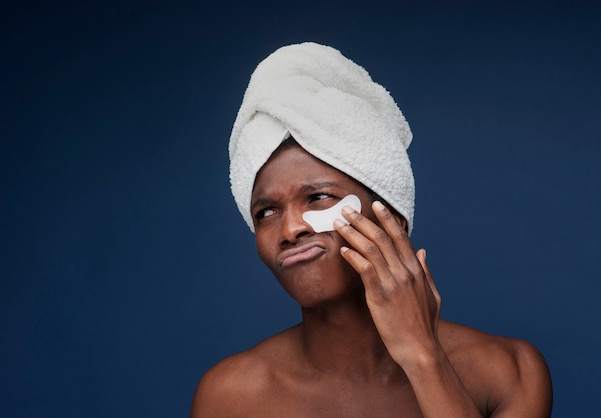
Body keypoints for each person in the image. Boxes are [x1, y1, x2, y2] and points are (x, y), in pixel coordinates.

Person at [191, 42, 552, 417]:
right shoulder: (231, 397)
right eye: (266, 212)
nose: (290, 228)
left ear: (390, 216)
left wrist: (422, 356)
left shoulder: (510, 372)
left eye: (318, 198)